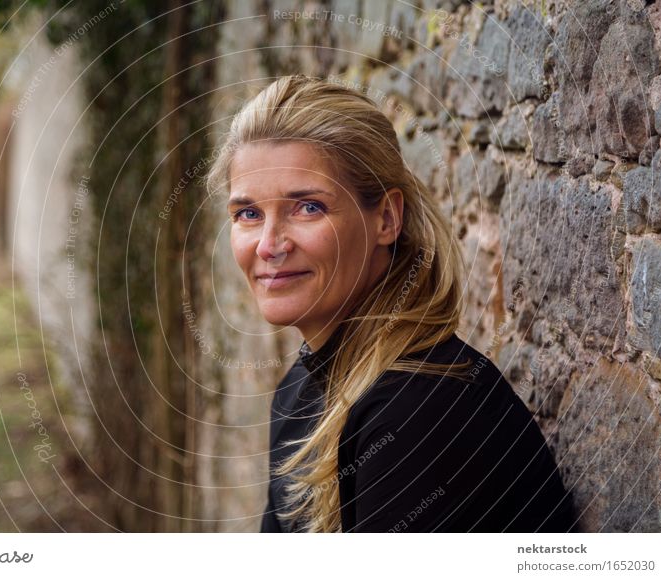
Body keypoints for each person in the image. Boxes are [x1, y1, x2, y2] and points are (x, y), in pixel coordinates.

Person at [206, 74, 577, 533]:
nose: (268, 245)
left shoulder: (422, 409)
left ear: (386, 218)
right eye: (248, 214)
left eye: (308, 207)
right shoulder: (299, 392)